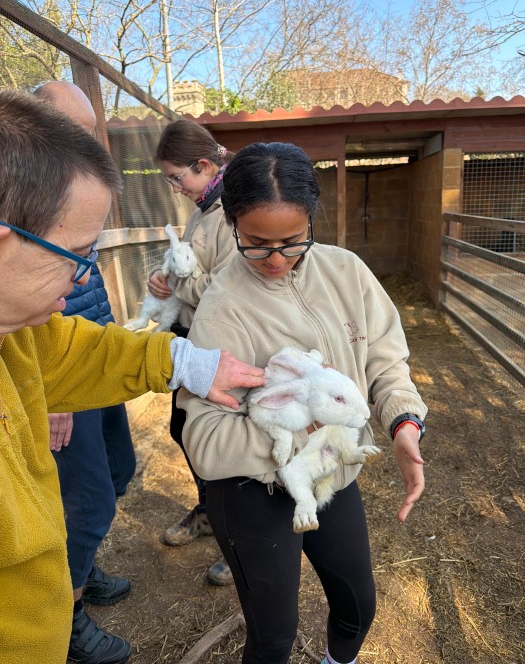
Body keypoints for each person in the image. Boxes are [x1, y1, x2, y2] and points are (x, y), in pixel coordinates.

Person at [0, 88, 264, 664]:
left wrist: (181, 361)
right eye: (77, 253)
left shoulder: (15, 332)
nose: (83, 277)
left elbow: (65, 350)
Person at [178, 142, 428, 664]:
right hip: (253, 489)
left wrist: (403, 420)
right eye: (256, 243)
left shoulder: (346, 272)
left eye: (292, 241)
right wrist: (300, 429)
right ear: (232, 224)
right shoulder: (221, 308)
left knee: (358, 605)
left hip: (329, 475)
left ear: (312, 217)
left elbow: (384, 359)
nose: (275, 259)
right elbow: (203, 436)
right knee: (274, 634)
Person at [34, 80, 136, 664]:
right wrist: (52, 394)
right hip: (62, 384)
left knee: (119, 470)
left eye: (93, 132)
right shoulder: (29, 196)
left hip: (93, 366)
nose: (91, 143)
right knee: (86, 501)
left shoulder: (73, 190)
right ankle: (67, 623)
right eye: (79, 132)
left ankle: (82, 568)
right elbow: (26, 311)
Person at [147, 119, 237, 585]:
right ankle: (210, 511)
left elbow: (223, 290)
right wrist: (162, 277)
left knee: (217, 439)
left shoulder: (232, 212)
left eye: (176, 177)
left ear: (203, 165)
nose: (174, 187)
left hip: (217, 346)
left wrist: (178, 282)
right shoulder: (203, 207)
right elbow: (186, 265)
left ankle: (237, 534)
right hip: (189, 339)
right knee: (184, 430)